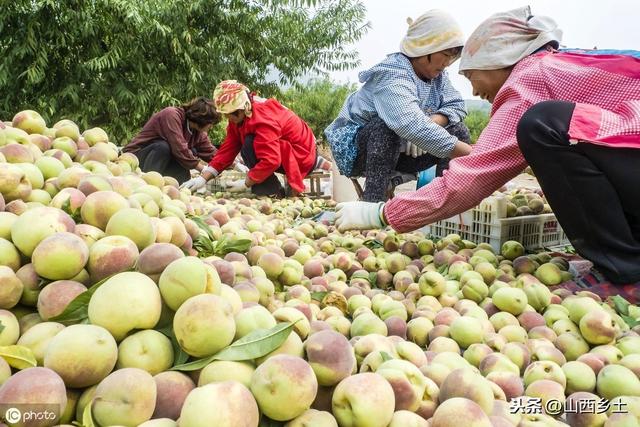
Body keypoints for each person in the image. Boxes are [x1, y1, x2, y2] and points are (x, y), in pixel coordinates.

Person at [334, 6, 640, 299]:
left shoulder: (530, 79)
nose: (475, 91)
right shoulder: (555, 67)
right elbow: (407, 123)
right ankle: (624, 250)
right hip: (365, 146)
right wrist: (479, 157)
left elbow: (467, 162)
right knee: (546, 131)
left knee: (538, 125)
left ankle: (625, 272)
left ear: (496, 59)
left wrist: (382, 214)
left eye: (470, 76)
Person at [324, 9, 473, 203]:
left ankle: (444, 205)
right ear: (425, 48)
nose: (447, 63)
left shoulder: (438, 77)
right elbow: (409, 125)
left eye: (452, 57)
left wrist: (431, 122)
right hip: (360, 151)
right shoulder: (393, 73)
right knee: (385, 126)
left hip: (402, 150)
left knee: (458, 130)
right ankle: (372, 205)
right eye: (445, 54)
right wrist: (475, 156)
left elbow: (457, 105)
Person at [181, 80, 331, 197]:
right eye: (226, 114)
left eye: (231, 114)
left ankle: (271, 192)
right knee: (248, 143)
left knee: (249, 144)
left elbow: (271, 160)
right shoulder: (240, 116)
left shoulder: (263, 120)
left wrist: (246, 182)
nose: (228, 118)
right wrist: (203, 178)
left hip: (301, 155)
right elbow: (227, 150)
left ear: (244, 108)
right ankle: (268, 187)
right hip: (287, 150)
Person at [122, 97, 222, 183]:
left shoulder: (197, 133)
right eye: (211, 123)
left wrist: (233, 163)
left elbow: (211, 152)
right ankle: (148, 183)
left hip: (160, 161)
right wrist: (203, 169)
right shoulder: (172, 115)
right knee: (163, 147)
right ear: (202, 119)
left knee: (192, 152)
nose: (211, 127)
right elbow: (179, 147)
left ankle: (179, 185)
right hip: (136, 158)